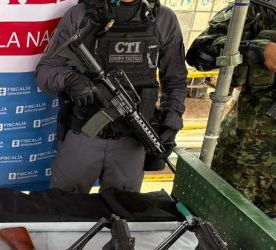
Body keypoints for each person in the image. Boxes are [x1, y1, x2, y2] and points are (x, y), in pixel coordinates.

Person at [35, 0, 187, 193]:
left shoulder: (163, 19)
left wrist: (171, 121)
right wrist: (70, 79)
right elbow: (45, 71)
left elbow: (175, 80)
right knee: (64, 206)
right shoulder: (82, 15)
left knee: (123, 207)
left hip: (133, 140)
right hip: (83, 135)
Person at [187, 3, 276, 225]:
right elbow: (198, 51)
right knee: (218, 225)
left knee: (271, 231)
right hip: (245, 157)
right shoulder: (258, 8)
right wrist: (257, 49)